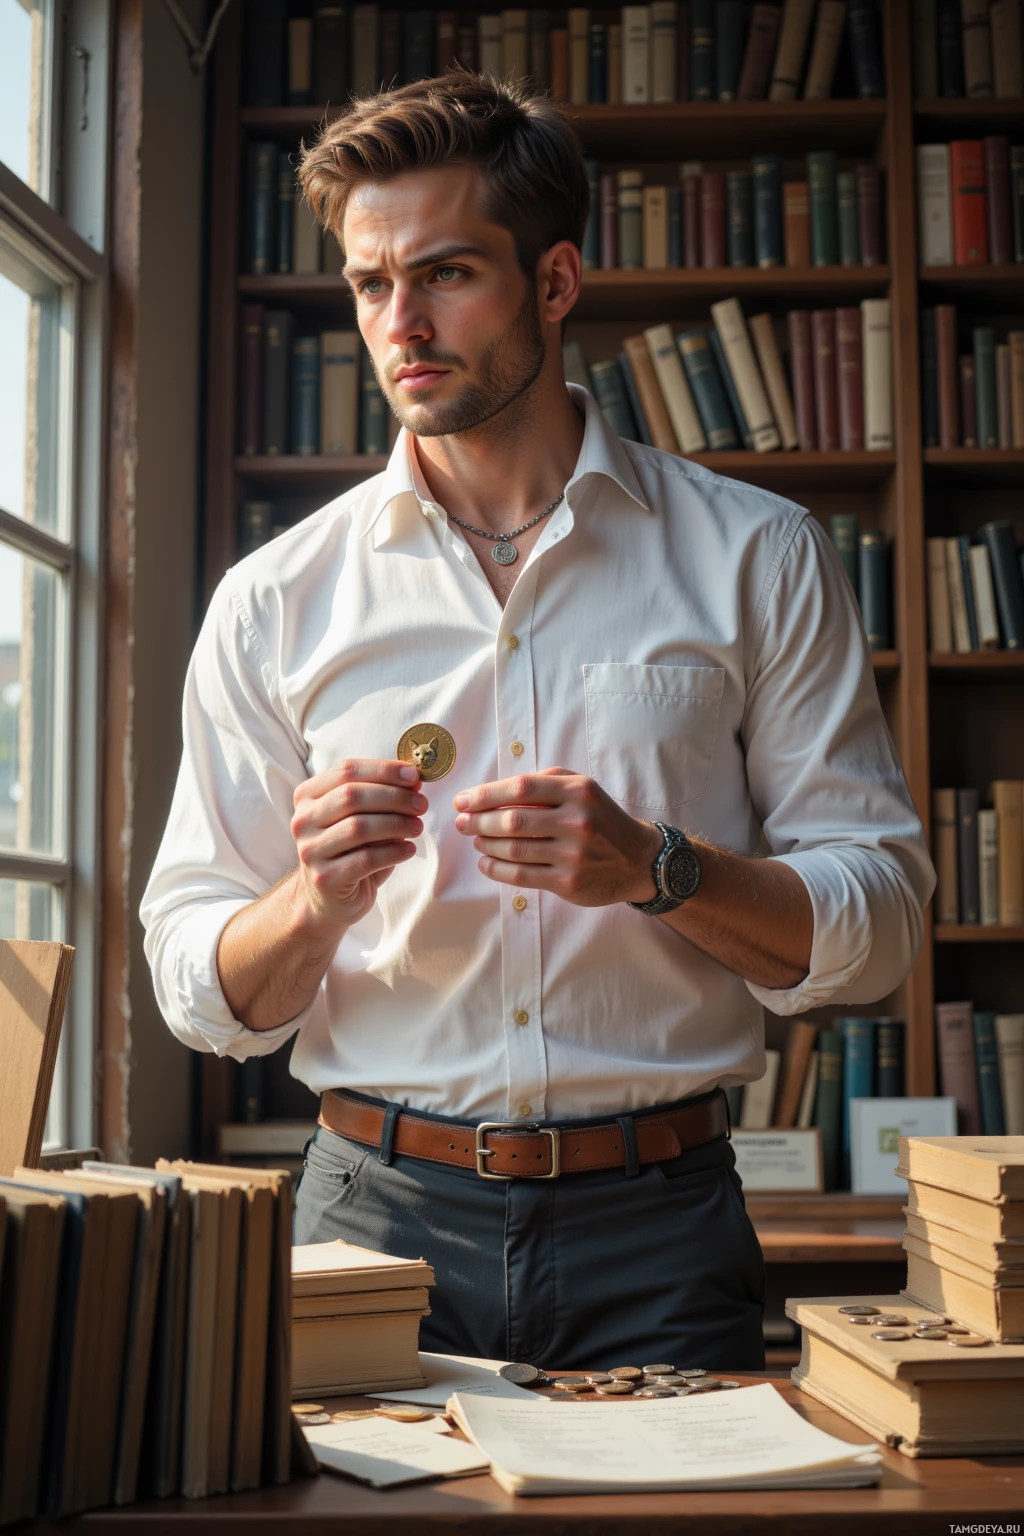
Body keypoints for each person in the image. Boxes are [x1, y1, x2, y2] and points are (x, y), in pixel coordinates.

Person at [141, 73, 934, 1372]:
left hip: (664, 1228)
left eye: (446, 273)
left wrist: (660, 871)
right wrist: (313, 902)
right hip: (366, 1220)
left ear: (555, 283)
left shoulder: (760, 558)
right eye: (368, 284)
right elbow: (195, 982)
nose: (400, 324)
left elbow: (884, 924)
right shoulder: (275, 600)